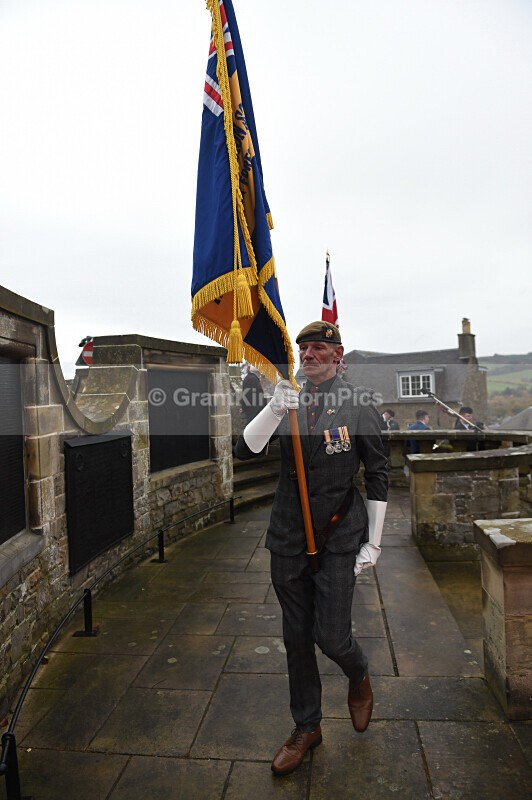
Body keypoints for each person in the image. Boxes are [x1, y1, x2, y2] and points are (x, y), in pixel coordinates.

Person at [235, 321, 388, 776]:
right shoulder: (287, 397)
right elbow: (245, 450)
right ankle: (307, 727)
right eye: (304, 349)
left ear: (338, 355)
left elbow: (377, 471)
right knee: (297, 637)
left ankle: (358, 673)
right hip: (288, 535)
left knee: (332, 636)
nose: (309, 355)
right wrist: (274, 409)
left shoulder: (359, 403)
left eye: (319, 347)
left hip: (339, 535)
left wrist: (374, 542)